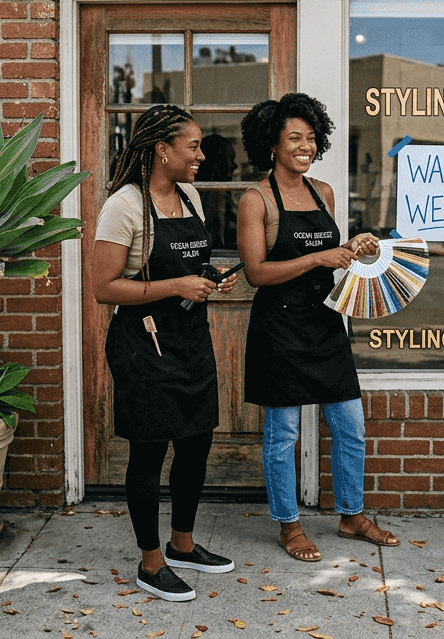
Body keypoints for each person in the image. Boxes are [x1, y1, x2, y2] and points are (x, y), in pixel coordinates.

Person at [237, 93, 398, 563]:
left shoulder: (322, 192)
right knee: (283, 433)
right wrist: (319, 257)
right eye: (294, 138)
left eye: (311, 138)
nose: (305, 146)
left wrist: (355, 248)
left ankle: (351, 515)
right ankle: (288, 524)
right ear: (272, 144)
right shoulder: (256, 199)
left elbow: (333, 256)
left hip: (325, 321)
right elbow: (256, 274)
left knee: (351, 426)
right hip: (279, 327)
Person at [92, 104, 239, 602]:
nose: (200, 155)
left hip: (191, 340)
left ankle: (182, 544)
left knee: (196, 443)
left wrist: (210, 280)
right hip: (144, 344)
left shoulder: (192, 198)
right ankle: (150, 562)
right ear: (162, 149)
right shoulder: (124, 205)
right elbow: (104, 287)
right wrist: (177, 282)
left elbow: (191, 266)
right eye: (192, 146)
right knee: (150, 451)